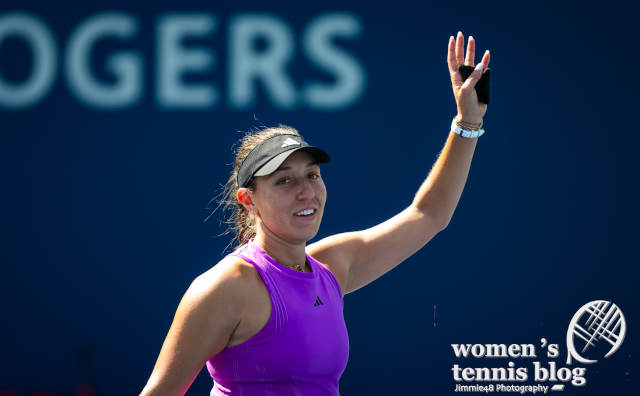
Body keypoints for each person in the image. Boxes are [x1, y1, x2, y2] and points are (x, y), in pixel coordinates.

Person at [140, 31, 491, 396]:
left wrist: (467, 123)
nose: (306, 191)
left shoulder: (332, 267)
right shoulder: (226, 288)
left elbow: (428, 215)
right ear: (249, 201)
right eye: (284, 181)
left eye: (312, 175)